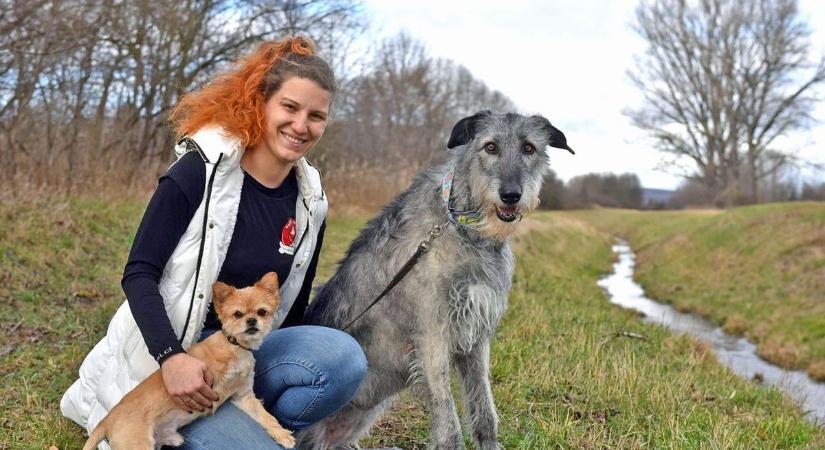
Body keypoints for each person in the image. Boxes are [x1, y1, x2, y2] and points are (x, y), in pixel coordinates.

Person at [61, 36, 367, 449]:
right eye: (290, 107)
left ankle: (252, 424)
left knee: (345, 360)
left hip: (243, 353)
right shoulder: (199, 169)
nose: (301, 126)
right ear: (262, 103)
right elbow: (139, 273)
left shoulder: (311, 201)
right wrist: (171, 357)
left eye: (316, 116)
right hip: (174, 361)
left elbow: (293, 306)